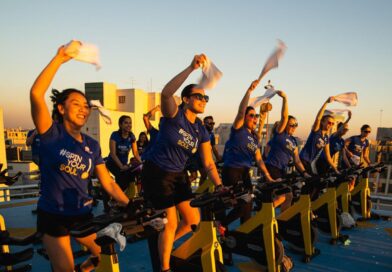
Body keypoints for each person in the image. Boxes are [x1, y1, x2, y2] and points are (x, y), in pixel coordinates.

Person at [30, 42, 130, 272]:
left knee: (102, 257)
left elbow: (108, 182)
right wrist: (59, 58)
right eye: (76, 104)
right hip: (53, 217)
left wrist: (130, 203)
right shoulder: (51, 133)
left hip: (82, 215)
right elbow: (36, 93)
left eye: (86, 106)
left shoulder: (92, 145)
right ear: (61, 108)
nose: (83, 109)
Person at [141, 54, 223, 272]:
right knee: (172, 222)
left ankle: (164, 246)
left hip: (177, 175)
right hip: (156, 172)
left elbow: (208, 163)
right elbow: (166, 93)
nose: (203, 101)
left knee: (192, 220)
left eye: (206, 98)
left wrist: (221, 186)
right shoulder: (173, 115)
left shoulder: (201, 130)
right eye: (198, 97)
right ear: (186, 99)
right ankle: (165, 267)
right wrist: (190, 68)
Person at [221, 79, 275, 224]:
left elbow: (259, 159)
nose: (254, 118)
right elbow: (240, 112)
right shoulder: (238, 130)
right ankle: (221, 225)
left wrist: (268, 176)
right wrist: (249, 91)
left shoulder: (254, 138)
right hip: (232, 171)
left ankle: (245, 233)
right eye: (251, 115)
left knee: (248, 205)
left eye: (255, 116)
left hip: (244, 173)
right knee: (243, 204)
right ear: (244, 118)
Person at [264, 92, 311, 211]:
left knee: (289, 196)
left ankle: (282, 222)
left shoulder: (294, 141)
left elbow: (297, 160)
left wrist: (304, 172)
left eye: (296, 125)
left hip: (281, 170)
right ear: (285, 125)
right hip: (272, 168)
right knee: (282, 196)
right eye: (291, 125)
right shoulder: (280, 134)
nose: (294, 127)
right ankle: (264, 215)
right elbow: (284, 117)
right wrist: (285, 98)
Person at [300, 97, 339, 175]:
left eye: (332, 124)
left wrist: (335, 168)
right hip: (303, 160)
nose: (330, 125)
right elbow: (318, 118)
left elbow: (328, 155)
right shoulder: (316, 131)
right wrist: (326, 102)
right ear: (322, 122)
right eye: (329, 122)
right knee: (311, 181)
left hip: (310, 162)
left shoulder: (326, 138)